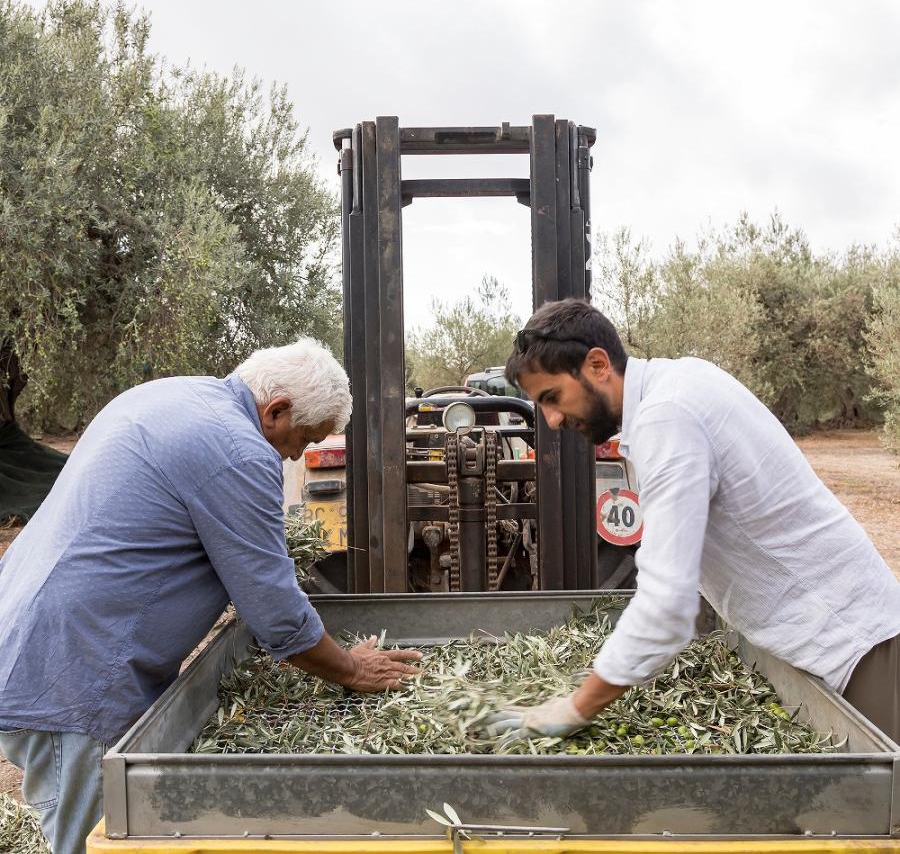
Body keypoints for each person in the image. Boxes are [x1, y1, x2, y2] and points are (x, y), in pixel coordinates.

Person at [0, 337, 421, 854]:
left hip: (30, 635)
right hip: (74, 677)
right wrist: (351, 670)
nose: (298, 455)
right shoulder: (237, 450)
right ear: (277, 411)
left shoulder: (166, 395)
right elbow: (274, 611)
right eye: (305, 439)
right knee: (95, 839)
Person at [486, 298, 900, 743]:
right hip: (835, 644)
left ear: (598, 364)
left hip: (857, 650)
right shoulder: (679, 382)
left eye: (552, 398)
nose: (550, 419)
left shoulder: (669, 417)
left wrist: (575, 707)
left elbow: (666, 600)